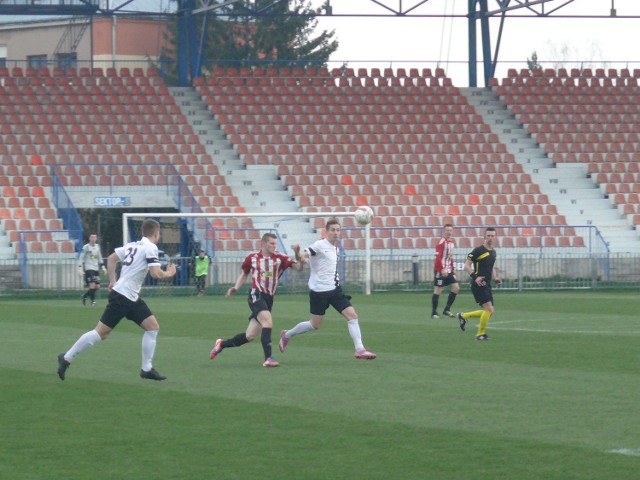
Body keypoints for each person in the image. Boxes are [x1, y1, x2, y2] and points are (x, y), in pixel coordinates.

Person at [57, 219, 177, 381]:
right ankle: (66, 358)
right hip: (123, 297)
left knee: (152, 327)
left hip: (130, 297)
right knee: (101, 333)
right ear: (156, 233)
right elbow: (156, 274)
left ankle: (146, 369)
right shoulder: (151, 247)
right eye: (159, 233)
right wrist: (169, 273)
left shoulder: (132, 245)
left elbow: (112, 258)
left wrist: (113, 280)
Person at [278, 218, 377, 360]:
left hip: (335, 290)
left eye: (338, 230)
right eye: (333, 230)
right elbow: (303, 257)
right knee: (314, 325)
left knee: (352, 316)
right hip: (319, 292)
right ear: (327, 231)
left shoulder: (335, 248)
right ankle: (287, 335)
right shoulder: (319, 245)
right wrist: (297, 253)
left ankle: (360, 349)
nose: (336, 233)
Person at [209, 233, 302, 367]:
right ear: (263, 244)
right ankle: (268, 358)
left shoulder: (280, 258)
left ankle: (221, 344)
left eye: (275, 244)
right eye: (271, 243)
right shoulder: (252, 258)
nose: (274, 246)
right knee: (268, 322)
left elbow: (298, 268)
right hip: (256, 294)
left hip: (269, 299)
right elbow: (244, 274)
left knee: (250, 335)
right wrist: (236, 287)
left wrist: (297, 253)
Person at [456, 227, 502, 341]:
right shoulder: (477, 251)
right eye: (488, 236)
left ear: (495, 237)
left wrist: (495, 277)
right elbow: (466, 266)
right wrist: (475, 277)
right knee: (489, 310)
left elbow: (491, 268)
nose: (490, 238)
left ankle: (464, 316)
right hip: (478, 284)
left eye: (492, 236)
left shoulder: (493, 252)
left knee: (490, 312)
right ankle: (480, 334)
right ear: (484, 237)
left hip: (487, 284)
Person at [431, 223, 460, 318]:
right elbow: (438, 257)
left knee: (456, 288)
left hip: (448, 269)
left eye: (450, 230)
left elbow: (450, 257)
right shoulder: (441, 242)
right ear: (444, 231)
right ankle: (434, 312)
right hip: (441, 270)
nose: (449, 232)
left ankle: (447, 309)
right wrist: (441, 269)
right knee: (438, 289)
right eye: (447, 230)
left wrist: (452, 268)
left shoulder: (452, 243)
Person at [78, 233, 106, 307]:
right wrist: (80, 267)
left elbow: (99, 257)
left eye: (95, 237)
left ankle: (85, 295)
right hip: (89, 268)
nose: (93, 239)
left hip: (96, 268)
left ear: (96, 239)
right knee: (92, 285)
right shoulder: (86, 247)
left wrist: (103, 266)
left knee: (98, 286)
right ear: (89, 238)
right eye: (92, 237)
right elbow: (81, 257)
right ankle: (93, 302)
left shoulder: (97, 246)